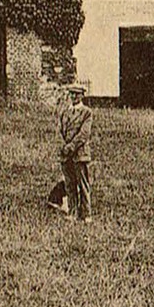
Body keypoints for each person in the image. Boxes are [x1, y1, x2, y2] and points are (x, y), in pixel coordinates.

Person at [57, 83, 93, 221]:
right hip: (66, 155)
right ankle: (72, 212)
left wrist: (70, 147)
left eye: (76, 94)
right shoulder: (64, 112)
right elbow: (59, 131)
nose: (73, 97)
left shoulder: (86, 112)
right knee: (69, 184)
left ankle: (86, 214)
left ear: (82, 96)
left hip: (80, 154)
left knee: (83, 185)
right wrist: (63, 147)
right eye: (71, 94)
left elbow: (84, 134)